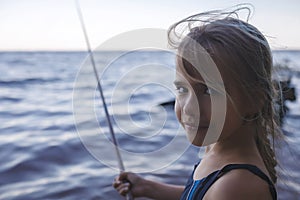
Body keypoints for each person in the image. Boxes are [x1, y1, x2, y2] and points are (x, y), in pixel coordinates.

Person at [113, 5, 279, 200]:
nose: (190, 108)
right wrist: (149, 188)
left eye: (209, 90)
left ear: (254, 100)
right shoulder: (218, 148)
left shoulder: (237, 187)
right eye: (182, 89)